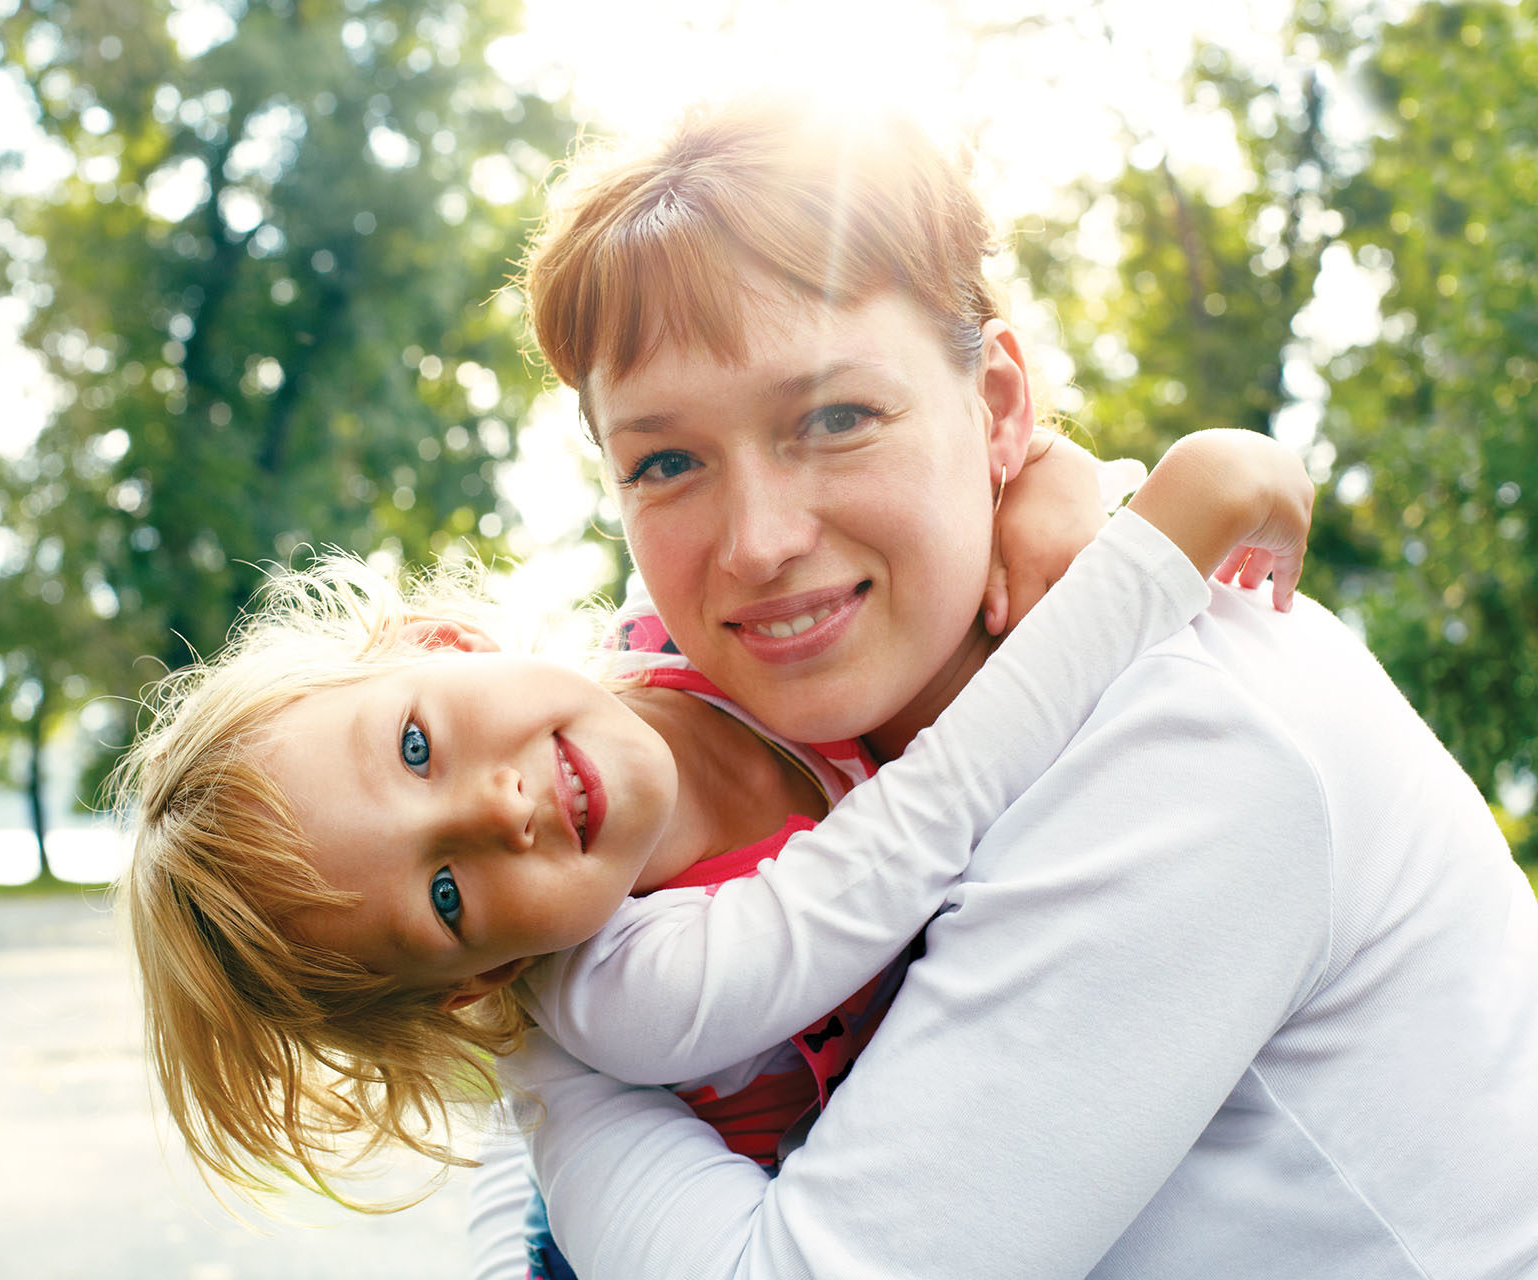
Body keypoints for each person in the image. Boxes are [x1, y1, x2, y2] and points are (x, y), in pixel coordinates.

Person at [483, 97, 1538, 1279]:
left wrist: (529, 1019)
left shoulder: (1183, 747)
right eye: (667, 461)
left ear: (997, 410)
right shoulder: (790, 702)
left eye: (835, 418)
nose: (757, 543)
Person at [112, 426, 1309, 1221]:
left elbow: (893, 530)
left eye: (418, 745)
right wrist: (1169, 524)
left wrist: (1044, 474)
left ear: (446, 647)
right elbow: (941, 804)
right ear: (474, 985)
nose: (495, 807)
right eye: (444, 893)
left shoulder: (674, 635)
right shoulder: (646, 986)